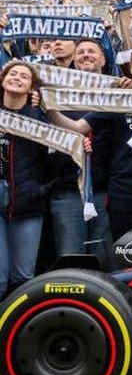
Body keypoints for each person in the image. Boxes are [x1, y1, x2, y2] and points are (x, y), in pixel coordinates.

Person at [45, 44, 132, 239]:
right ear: (131, 68)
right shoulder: (115, 100)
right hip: (123, 195)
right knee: (124, 260)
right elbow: (77, 128)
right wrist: (47, 108)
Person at [47, 39, 120, 259]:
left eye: (91, 51)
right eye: (80, 52)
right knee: (70, 259)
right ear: (74, 60)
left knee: (103, 258)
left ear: (104, 59)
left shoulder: (117, 93)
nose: (85, 55)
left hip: (104, 192)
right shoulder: (57, 94)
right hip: (67, 191)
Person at [0, 62, 50, 294]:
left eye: (24, 76)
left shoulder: (40, 119)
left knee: (23, 279)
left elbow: (56, 159)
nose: (17, 78)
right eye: (13, 74)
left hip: (27, 203)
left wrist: (41, 189)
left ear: (32, 88)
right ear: (3, 80)